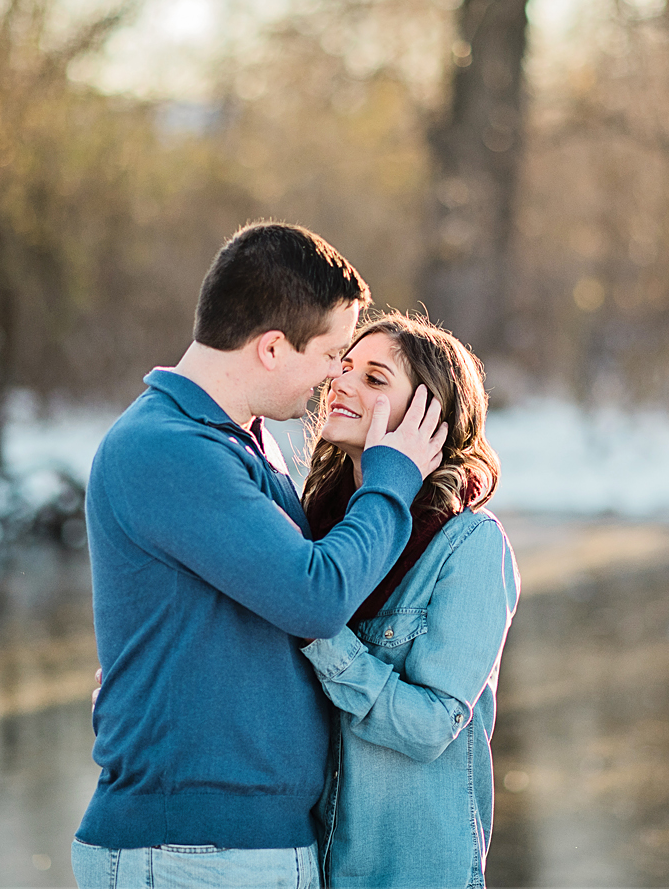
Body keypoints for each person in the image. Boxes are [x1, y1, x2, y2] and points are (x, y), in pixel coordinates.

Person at [73, 223, 447, 889]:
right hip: (190, 852)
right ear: (273, 348)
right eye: (333, 353)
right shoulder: (167, 448)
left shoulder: (245, 442)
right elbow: (315, 595)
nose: (339, 374)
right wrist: (393, 478)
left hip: (233, 851)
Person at [293, 312, 518, 889]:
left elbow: (431, 725)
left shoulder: (469, 543)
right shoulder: (315, 531)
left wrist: (320, 630)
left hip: (413, 873)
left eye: (373, 378)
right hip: (312, 867)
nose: (340, 383)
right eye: (343, 367)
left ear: (427, 413)